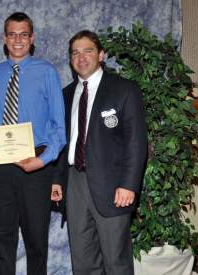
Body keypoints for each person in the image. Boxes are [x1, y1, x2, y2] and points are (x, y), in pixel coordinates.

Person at [0, 12, 66, 275]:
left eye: (23, 34)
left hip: (36, 164)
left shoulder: (47, 72)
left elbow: (59, 128)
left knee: (36, 238)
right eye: (12, 34)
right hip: (1, 163)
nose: (17, 40)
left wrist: (43, 160)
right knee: (2, 236)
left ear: (32, 38)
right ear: (4, 39)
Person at [55, 30, 147, 275]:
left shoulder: (124, 90)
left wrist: (129, 184)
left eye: (88, 51)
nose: (81, 57)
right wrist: (57, 180)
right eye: (75, 52)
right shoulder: (65, 95)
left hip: (112, 186)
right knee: (83, 260)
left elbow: (136, 142)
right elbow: (62, 143)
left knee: (115, 261)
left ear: (101, 55)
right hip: (75, 183)